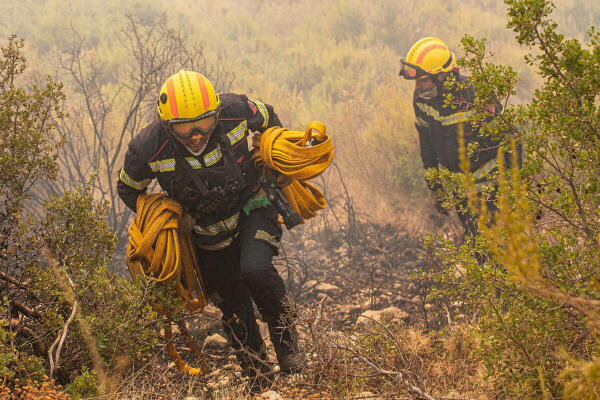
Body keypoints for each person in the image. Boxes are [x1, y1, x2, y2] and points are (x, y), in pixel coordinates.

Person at [117, 70, 299, 391]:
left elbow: (270, 117)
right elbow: (128, 189)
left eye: (204, 123)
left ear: (216, 112)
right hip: (203, 237)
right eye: (185, 128)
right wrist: (166, 217)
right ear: (167, 124)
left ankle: (290, 354)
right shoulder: (148, 148)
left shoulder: (237, 111)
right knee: (233, 305)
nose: (196, 135)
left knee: (256, 271)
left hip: (252, 210)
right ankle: (259, 378)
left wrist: (272, 157)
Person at [399, 37, 517, 235]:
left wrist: (515, 183)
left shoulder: (475, 93)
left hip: (490, 185)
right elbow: (426, 143)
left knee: (493, 242)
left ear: (442, 76)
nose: (417, 86)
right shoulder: (421, 100)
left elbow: (510, 137)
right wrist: (435, 187)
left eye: (423, 80)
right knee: (474, 241)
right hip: (460, 189)